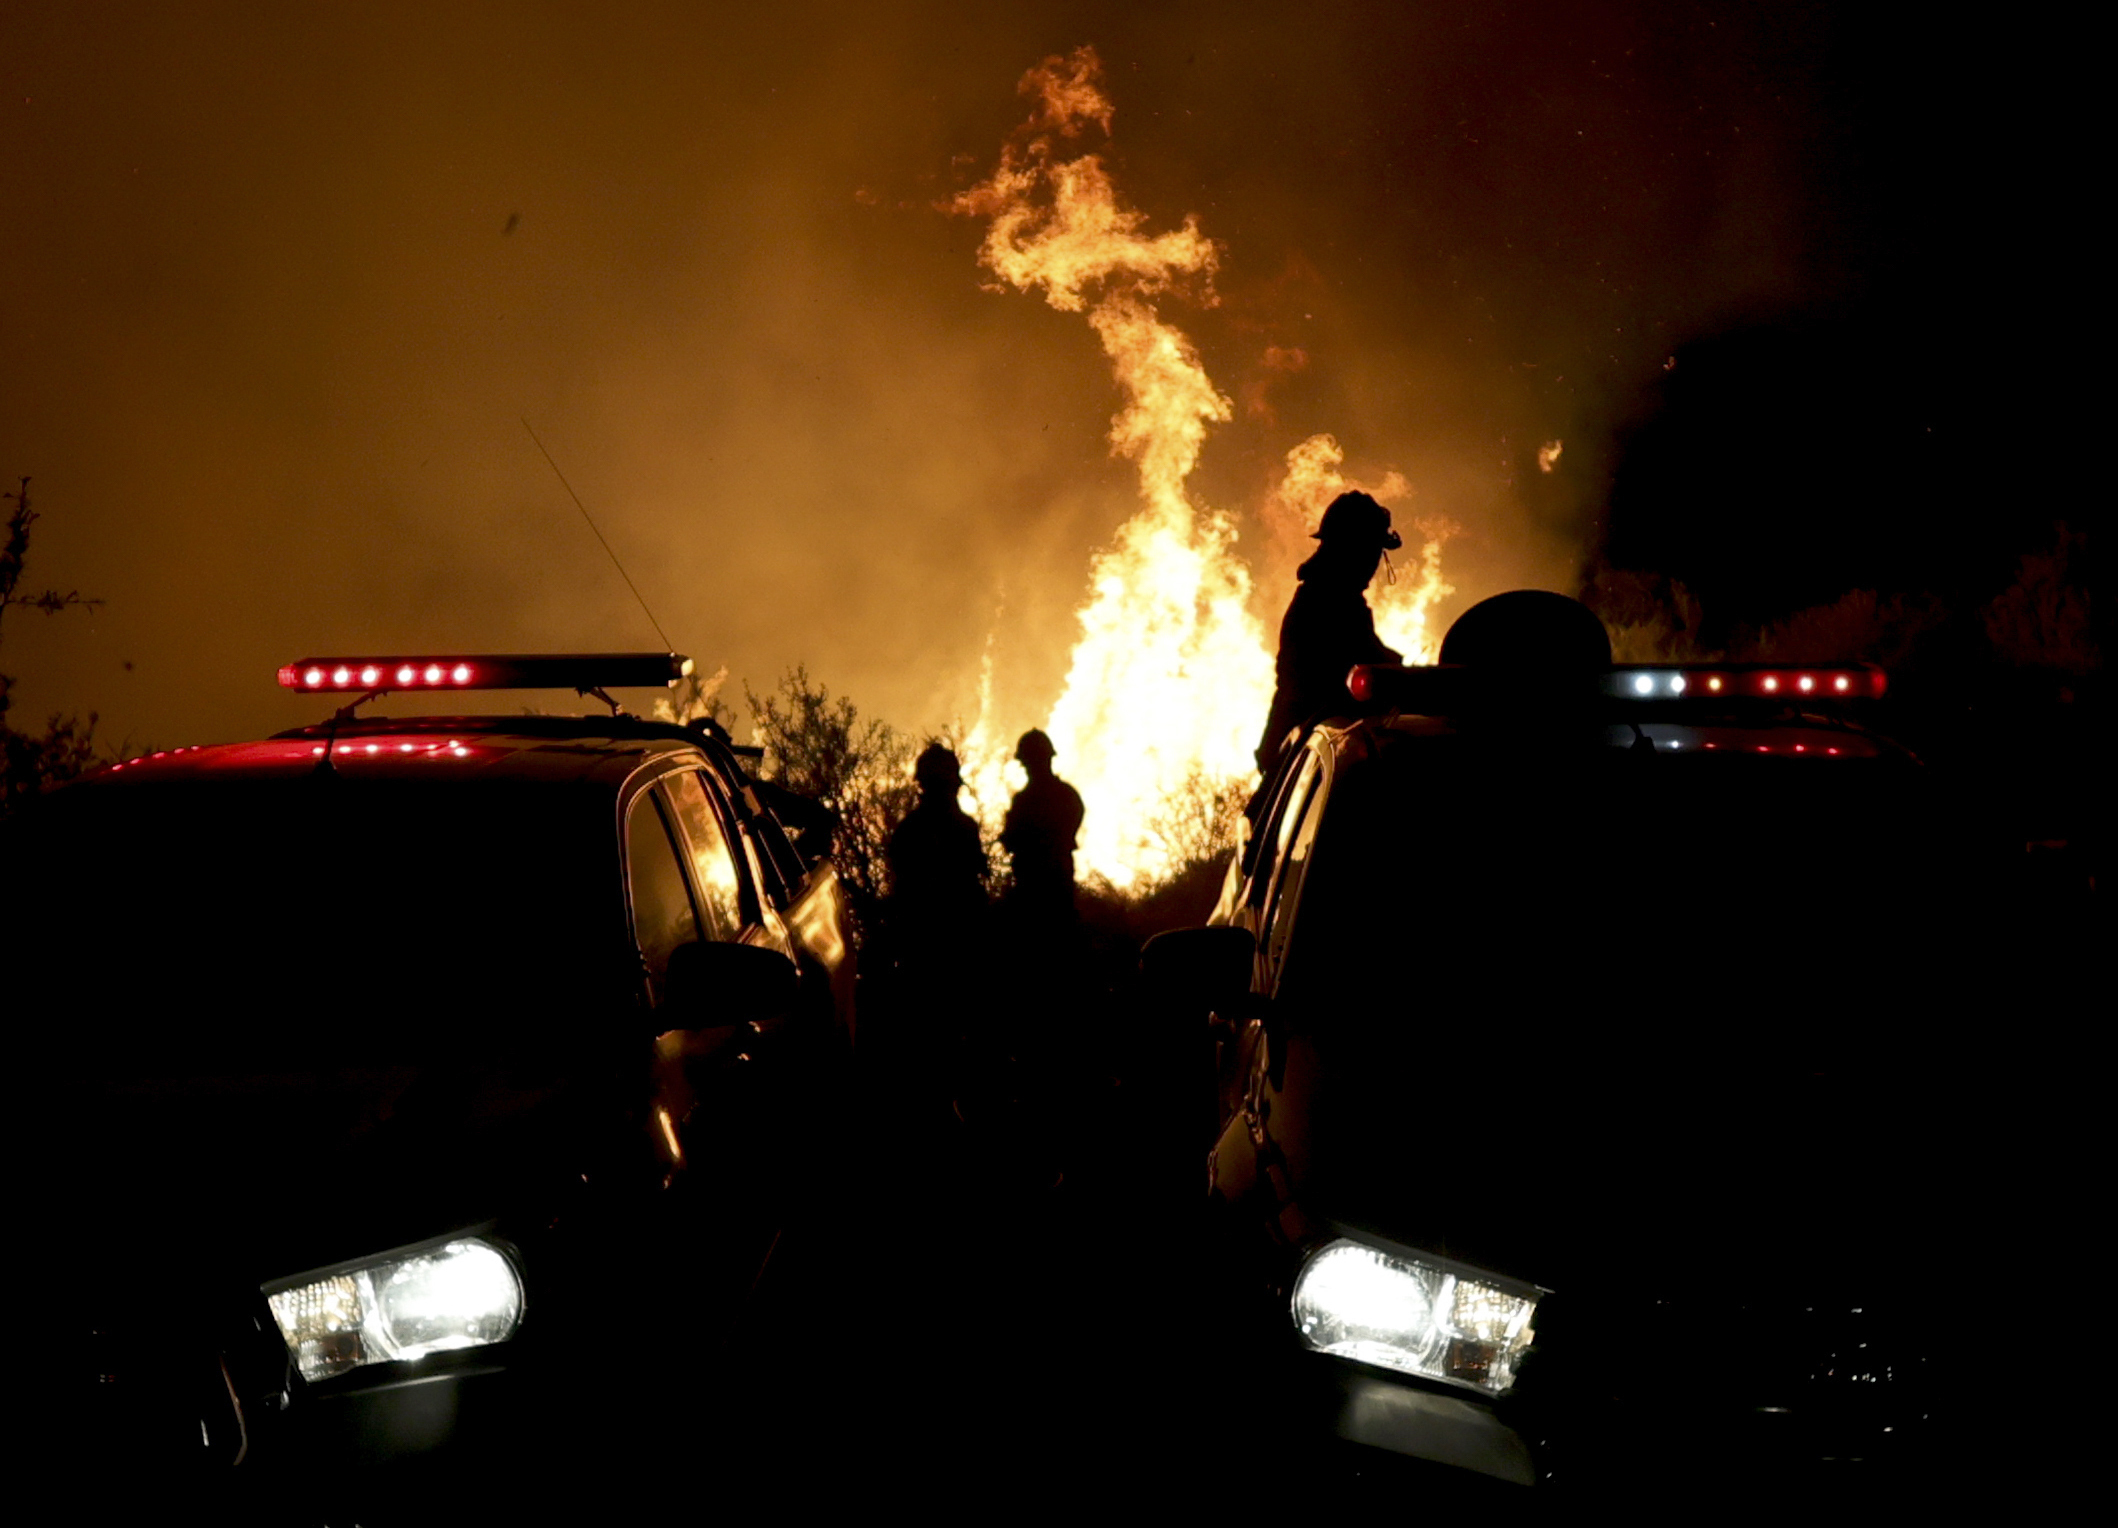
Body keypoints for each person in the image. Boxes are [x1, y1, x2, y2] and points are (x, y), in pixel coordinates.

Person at [1255, 490, 1404, 773]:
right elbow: (1348, 669)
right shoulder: (1326, 604)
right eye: (1369, 549)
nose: (1374, 563)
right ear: (1348, 549)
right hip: (1308, 759)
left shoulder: (1333, 599)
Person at [999, 729, 1084, 919]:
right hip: (1055, 887)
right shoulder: (1067, 795)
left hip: (1036, 887)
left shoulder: (1024, 801)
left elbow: (1014, 840)